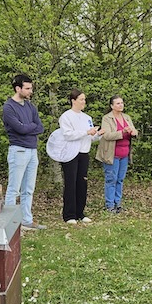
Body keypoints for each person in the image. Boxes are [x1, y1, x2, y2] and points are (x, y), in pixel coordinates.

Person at [2, 74, 46, 230]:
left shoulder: (30, 106)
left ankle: (27, 220)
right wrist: (30, 127)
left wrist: (28, 128)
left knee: (28, 188)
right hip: (18, 150)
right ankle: (10, 224)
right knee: (14, 189)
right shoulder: (8, 107)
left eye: (31, 88)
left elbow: (40, 127)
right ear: (17, 88)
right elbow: (19, 128)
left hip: (32, 151)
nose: (30, 91)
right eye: (27, 88)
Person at [59, 89, 104, 223]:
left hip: (84, 153)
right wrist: (86, 132)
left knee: (82, 182)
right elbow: (67, 134)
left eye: (84, 99)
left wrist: (99, 135)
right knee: (71, 183)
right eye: (81, 99)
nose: (84, 102)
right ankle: (69, 215)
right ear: (73, 101)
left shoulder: (87, 118)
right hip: (71, 153)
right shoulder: (66, 116)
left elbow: (90, 137)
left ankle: (80, 212)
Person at [96, 95, 138, 213]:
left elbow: (134, 130)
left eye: (122, 103)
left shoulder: (127, 117)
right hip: (111, 153)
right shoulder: (107, 118)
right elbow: (107, 135)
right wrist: (122, 132)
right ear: (112, 106)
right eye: (118, 103)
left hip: (124, 154)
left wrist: (134, 132)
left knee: (120, 179)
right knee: (111, 179)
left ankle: (118, 203)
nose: (121, 105)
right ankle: (110, 205)